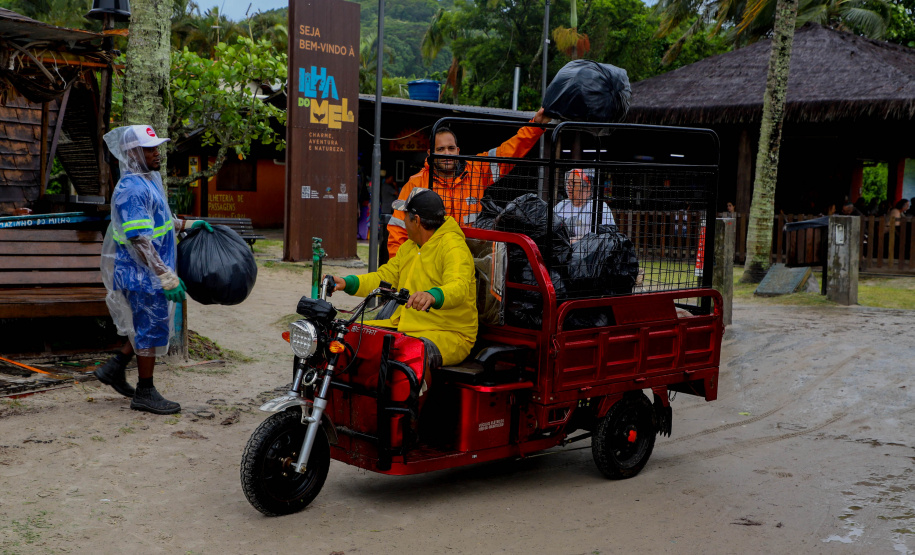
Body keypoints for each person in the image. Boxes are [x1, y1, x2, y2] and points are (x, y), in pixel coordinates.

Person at [94, 124, 214, 415]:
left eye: (156, 147)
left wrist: (187, 224)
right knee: (150, 329)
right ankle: (144, 392)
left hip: (147, 272)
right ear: (132, 152)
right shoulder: (132, 189)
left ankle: (115, 367)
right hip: (142, 273)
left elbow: (161, 220)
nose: (156, 153)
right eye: (149, 149)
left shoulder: (148, 180)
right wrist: (165, 275)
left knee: (146, 327)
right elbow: (140, 239)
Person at [331, 188, 477, 367]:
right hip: (408, 326)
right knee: (352, 337)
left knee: (410, 355)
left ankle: (417, 395)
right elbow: (385, 277)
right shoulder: (410, 247)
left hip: (449, 334)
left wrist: (432, 296)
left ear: (416, 220)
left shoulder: (454, 247)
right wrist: (347, 283)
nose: (402, 223)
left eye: (405, 217)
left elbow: (458, 287)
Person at [386, 108, 552, 258]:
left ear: (458, 150)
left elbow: (509, 152)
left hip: (473, 258)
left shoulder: (477, 170)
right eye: (441, 149)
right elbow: (398, 230)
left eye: (451, 148)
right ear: (430, 153)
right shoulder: (416, 184)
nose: (447, 154)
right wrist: (400, 268)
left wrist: (536, 126)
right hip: (432, 261)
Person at [554, 168, 615, 240]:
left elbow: (605, 238)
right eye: (568, 183)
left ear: (588, 187)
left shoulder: (599, 207)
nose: (568, 186)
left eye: (573, 183)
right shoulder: (562, 205)